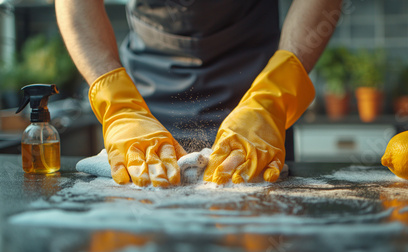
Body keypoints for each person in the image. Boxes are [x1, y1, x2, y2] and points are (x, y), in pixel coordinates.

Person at [55, 0, 342, 187]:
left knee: (258, 215)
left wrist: (272, 99)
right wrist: (120, 106)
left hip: (257, 83)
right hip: (145, 92)